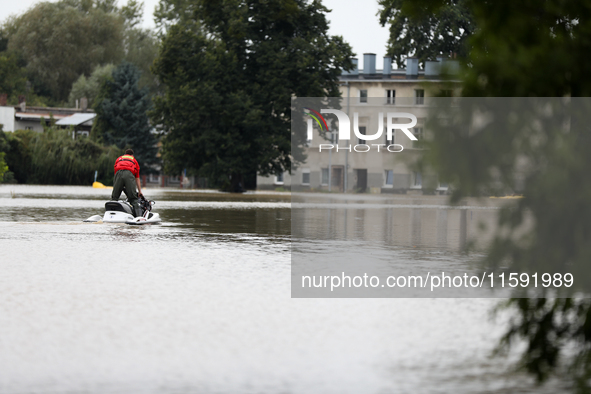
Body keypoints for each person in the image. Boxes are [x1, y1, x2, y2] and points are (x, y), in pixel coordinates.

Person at [111, 149, 144, 217]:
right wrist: (140, 191)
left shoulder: (119, 159)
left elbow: (115, 173)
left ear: (125, 154)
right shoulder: (134, 160)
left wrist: (119, 186)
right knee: (133, 199)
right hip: (129, 174)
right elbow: (137, 178)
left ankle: (111, 215)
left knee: (114, 198)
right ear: (132, 155)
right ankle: (138, 217)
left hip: (118, 174)